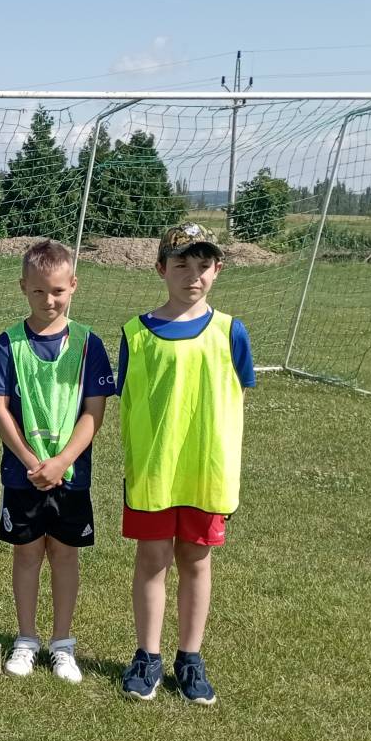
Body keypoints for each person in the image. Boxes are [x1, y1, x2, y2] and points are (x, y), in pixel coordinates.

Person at [117, 224, 255, 704]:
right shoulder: (135, 333)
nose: (192, 275)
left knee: (196, 561)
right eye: (181, 264)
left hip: (205, 474)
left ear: (218, 269)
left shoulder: (231, 331)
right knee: (151, 560)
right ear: (161, 268)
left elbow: (236, 397)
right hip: (154, 473)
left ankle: (190, 658)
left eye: (203, 265)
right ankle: (147, 656)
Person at [0, 240, 114, 685]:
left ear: (73, 285)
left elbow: (94, 412)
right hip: (24, 475)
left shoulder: (89, 343)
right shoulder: (8, 343)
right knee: (26, 553)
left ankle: (62, 644)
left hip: (71, 475)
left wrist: (62, 460)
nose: (49, 299)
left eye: (57, 290)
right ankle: (25, 639)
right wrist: (32, 461)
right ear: (23, 287)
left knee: (64, 554)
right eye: (38, 291)